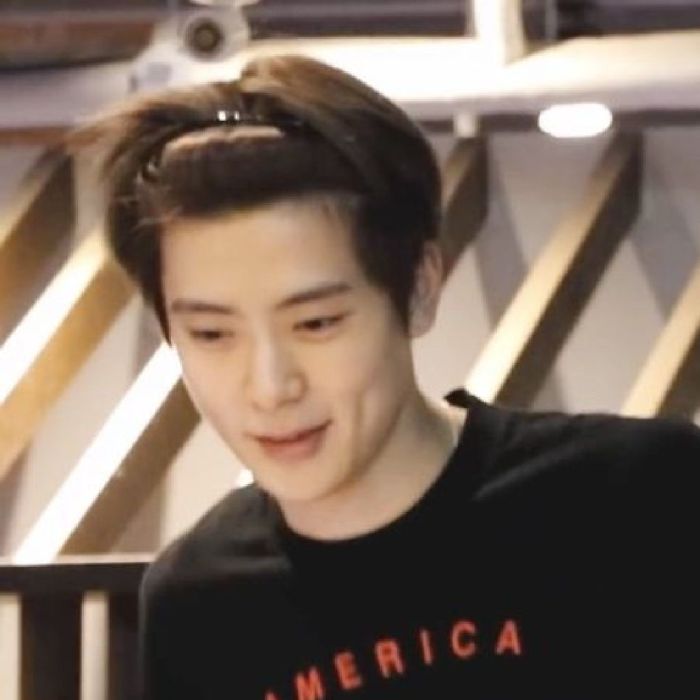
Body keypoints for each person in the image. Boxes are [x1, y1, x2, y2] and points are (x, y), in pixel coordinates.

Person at [70, 54, 699, 700]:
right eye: (211, 334)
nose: (270, 386)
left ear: (420, 289)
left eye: (316, 323)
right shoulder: (198, 605)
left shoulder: (639, 496)